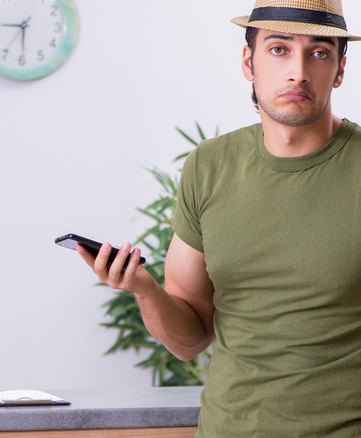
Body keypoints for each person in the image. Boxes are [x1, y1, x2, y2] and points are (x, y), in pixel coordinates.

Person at [78, 1, 361, 436]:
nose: (299, 72)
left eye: (319, 53)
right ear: (249, 62)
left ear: (340, 69)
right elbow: (189, 339)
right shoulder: (208, 166)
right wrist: (142, 287)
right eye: (279, 49)